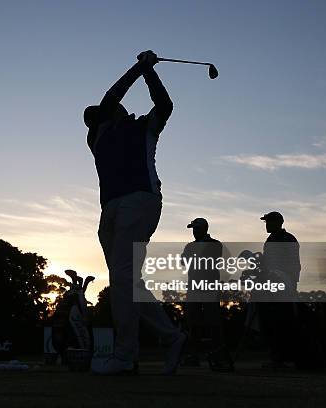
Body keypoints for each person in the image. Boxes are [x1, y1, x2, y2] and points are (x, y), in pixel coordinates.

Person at [85, 50, 185, 375]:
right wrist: (140, 67)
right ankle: (171, 337)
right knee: (127, 282)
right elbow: (110, 98)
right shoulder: (98, 134)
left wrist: (148, 72)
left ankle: (125, 356)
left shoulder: (145, 127)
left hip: (139, 201)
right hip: (111, 210)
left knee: (124, 280)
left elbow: (165, 106)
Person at [181, 218, 233, 371]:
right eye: (193, 229)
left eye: (196, 228)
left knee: (213, 322)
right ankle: (193, 355)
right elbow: (185, 262)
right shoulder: (191, 246)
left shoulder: (215, 244)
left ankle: (217, 355)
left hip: (209, 287)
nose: (194, 231)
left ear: (204, 228)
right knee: (192, 321)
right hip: (194, 288)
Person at [258, 211, 300, 369]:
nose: (266, 225)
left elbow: (293, 264)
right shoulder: (270, 240)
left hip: (284, 286)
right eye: (266, 222)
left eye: (269, 221)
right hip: (271, 285)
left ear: (278, 222)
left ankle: (283, 357)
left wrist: (290, 284)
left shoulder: (288, 239)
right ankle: (277, 356)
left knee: (283, 321)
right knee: (272, 321)